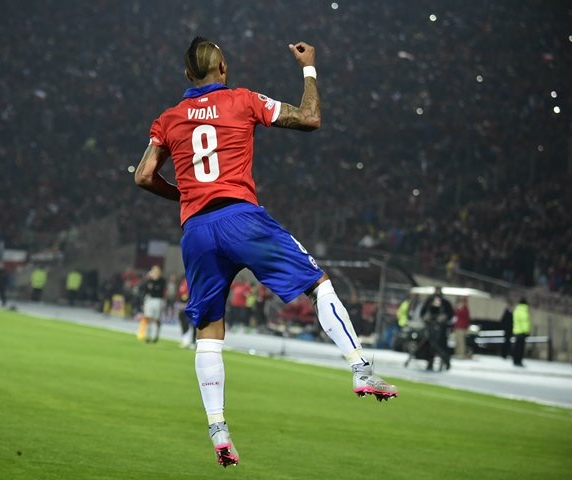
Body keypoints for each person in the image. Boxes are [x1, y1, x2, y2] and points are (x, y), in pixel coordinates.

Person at [134, 37, 398, 468]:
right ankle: (361, 368)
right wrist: (309, 68)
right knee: (317, 282)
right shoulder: (243, 100)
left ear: (187, 76)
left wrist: (185, 197)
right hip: (242, 218)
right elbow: (310, 118)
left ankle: (218, 427)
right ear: (223, 68)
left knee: (209, 332)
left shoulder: (168, 119)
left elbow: (145, 175)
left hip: (196, 230)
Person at [419, 286, 454, 371]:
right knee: (429, 346)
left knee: (442, 347)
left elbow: (450, 314)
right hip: (430, 327)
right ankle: (429, 362)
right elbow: (423, 312)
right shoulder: (429, 301)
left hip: (441, 329)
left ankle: (446, 362)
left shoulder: (445, 303)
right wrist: (425, 317)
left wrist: (444, 317)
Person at [137, 265, 166, 343]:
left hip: (158, 300)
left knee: (156, 318)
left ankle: (155, 335)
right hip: (149, 299)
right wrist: (148, 278)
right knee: (148, 317)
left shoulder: (162, 281)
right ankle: (148, 335)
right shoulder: (149, 280)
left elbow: (160, 290)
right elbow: (143, 288)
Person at [512, 298, 531, 367]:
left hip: (516, 331)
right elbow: (524, 323)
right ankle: (519, 361)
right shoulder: (523, 311)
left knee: (516, 348)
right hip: (522, 332)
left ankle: (515, 360)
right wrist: (527, 331)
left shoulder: (516, 310)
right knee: (521, 349)